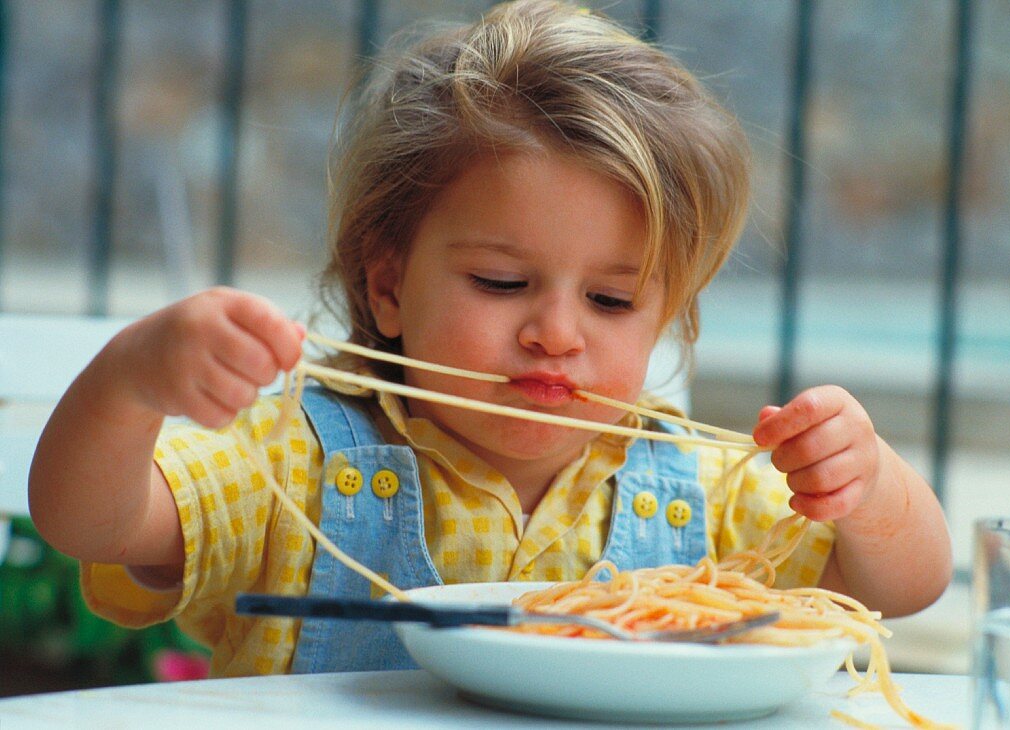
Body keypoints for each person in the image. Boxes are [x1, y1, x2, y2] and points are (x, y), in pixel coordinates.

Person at [29, 0, 952, 677]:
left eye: (612, 300)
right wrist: (131, 383)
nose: (557, 332)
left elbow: (905, 587)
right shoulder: (295, 467)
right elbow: (90, 522)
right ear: (387, 285)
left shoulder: (700, 497)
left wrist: (866, 488)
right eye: (502, 284)